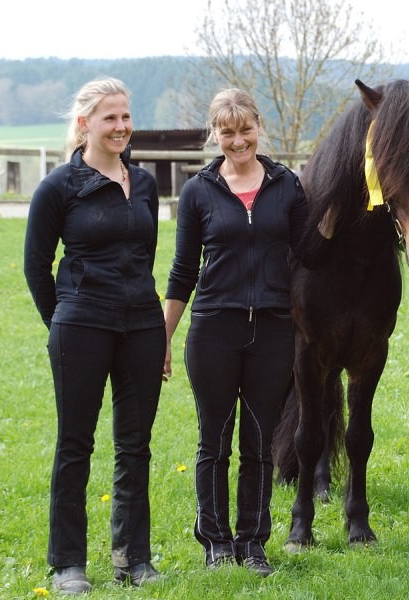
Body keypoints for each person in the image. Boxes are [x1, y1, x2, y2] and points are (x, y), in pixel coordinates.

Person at [24, 77, 166, 594]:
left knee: (136, 445)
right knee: (75, 445)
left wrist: (145, 316)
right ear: (85, 123)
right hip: (81, 326)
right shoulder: (59, 186)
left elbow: (145, 257)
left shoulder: (145, 184)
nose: (122, 126)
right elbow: (36, 266)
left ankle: (134, 559)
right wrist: (63, 319)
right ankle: (68, 564)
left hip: (143, 327)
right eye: (111, 117)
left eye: (126, 116)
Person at [163, 88, 308, 576]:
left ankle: (253, 542)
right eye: (227, 132)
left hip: (272, 330)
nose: (238, 140)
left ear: (258, 127)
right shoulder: (199, 191)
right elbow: (183, 271)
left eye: (245, 129)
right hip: (213, 330)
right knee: (214, 440)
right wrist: (163, 338)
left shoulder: (288, 186)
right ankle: (215, 541)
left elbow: (311, 255)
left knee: (260, 442)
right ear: (215, 133)